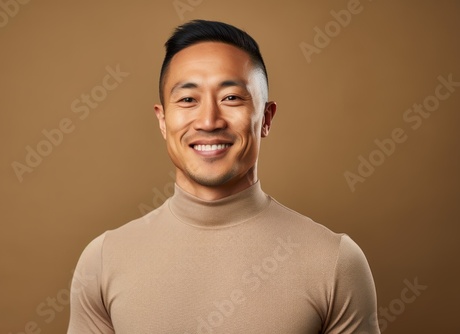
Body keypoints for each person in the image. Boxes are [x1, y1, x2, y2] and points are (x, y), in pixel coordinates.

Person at [67, 20, 380, 333]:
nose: (209, 120)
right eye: (188, 99)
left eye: (231, 98)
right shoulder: (104, 260)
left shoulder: (335, 261)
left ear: (266, 118)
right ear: (163, 120)